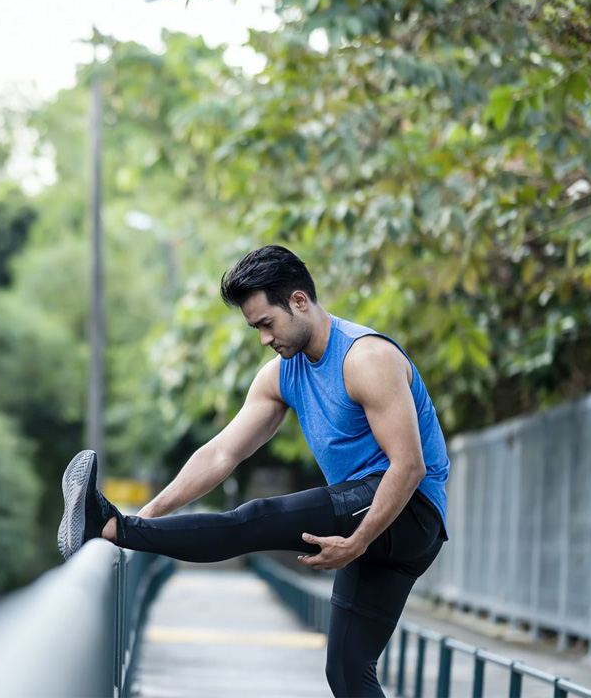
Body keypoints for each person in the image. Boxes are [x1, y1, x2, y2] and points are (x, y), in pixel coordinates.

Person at [57, 244, 449, 698]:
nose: (264, 339)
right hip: (373, 521)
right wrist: (151, 513)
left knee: (255, 519)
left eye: (267, 323)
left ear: (298, 301)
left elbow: (409, 465)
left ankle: (109, 527)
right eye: (255, 328)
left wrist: (358, 542)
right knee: (347, 672)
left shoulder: (366, 358)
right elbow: (221, 454)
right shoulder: (281, 375)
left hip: (409, 510)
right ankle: (125, 526)